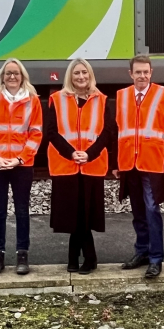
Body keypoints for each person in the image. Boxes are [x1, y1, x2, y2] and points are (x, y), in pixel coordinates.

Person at [0, 58, 43, 276]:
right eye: (8, 73)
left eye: (16, 73)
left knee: (22, 211)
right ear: (2, 77)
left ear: (22, 76)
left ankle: (22, 255)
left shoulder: (33, 101)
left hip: (21, 165)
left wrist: (20, 159)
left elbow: (36, 133)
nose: (12, 77)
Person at [113, 55, 164, 278]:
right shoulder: (121, 96)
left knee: (152, 210)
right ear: (131, 74)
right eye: (138, 72)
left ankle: (156, 257)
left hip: (153, 162)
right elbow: (116, 131)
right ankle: (142, 251)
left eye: (146, 72)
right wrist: (115, 162)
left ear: (151, 72)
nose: (142, 76)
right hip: (130, 163)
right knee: (138, 211)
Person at [46, 58, 111, 275]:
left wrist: (89, 154)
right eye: (76, 73)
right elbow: (52, 132)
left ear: (90, 75)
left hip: (91, 165)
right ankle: (87, 257)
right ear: (70, 76)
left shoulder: (101, 100)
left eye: (84, 72)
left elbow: (107, 133)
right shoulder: (57, 99)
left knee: (84, 214)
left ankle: (77, 257)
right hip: (66, 164)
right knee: (75, 214)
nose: (81, 76)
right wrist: (71, 153)